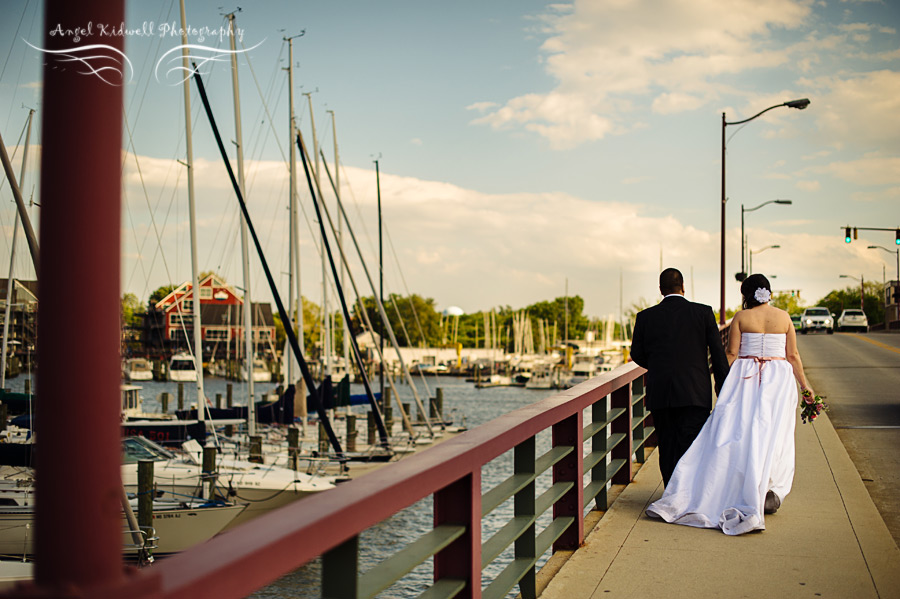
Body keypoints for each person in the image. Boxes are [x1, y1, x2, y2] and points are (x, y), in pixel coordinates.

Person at [646, 273, 814, 535]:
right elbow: (792, 355)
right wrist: (806, 387)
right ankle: (765, 488)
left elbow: (731, 353)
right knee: (773, 434)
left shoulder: (741, 318)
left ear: (746, 294)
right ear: (768, 292)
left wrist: (723, 385)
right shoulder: (784, 317)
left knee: (740, 433)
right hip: (777, 381)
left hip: (746, 378)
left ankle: (734, 487)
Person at [630, 268, 730, 487]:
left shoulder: (646, 316)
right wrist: (723, 389)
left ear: (660, 290)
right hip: (695, 391)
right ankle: (689, 494)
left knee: (667, 445)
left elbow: (635, 353)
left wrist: (658, 366)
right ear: (683, 287)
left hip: (661, 391)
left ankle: (671, 493)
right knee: (693, 445)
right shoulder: (703, 313)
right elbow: (718, 355)